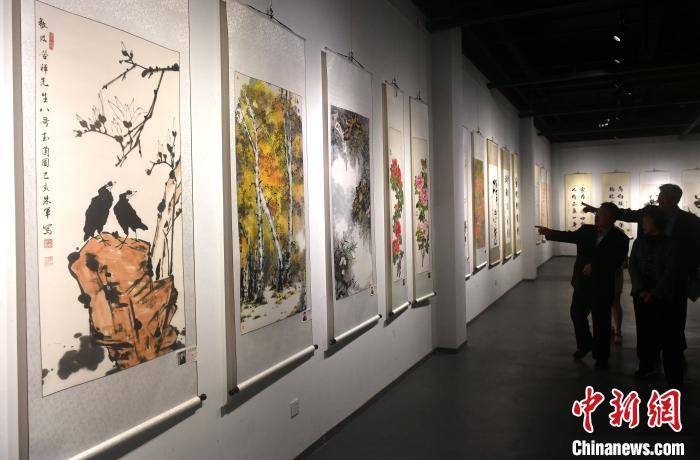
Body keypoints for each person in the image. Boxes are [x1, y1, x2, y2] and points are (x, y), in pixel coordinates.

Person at [583, 184, 700, 351]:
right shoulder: (649, 214)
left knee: (674, 320)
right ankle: (648, 356)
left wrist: (692, 275)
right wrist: (599, 210)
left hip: (674, 281)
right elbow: (627, 214)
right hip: (646, 280)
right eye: (660, 196)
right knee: (646, 321)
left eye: (663, 196)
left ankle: (675, 353)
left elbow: (696, 250)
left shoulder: (690, 221)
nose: (659, 199)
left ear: (675, 199)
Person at [537, 202, 629, 369]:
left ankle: (601, 357)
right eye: (597, 213)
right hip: (583, 283)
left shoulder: (620, 238)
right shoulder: (587, 230)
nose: (597, 216)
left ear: (611, 218)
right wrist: (550, 232)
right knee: (577, 314)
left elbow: (618, 261)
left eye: (601, 214)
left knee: (601, 322)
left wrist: (596, 266)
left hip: (602, 286)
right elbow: (570, 237)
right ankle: (585, 344)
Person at [628, 207, 685, 385]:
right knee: (644, 332)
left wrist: (655, 293)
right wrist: (640, 289)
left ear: (657, 222)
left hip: (664, 297)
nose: (643, 224)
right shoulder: (639, 243)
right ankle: (646, 365)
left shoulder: (671, 244)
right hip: (641, 295)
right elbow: (633, 266)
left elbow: (671, 272)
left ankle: (673, 373)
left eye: (647, 221)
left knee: (669, 334)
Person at [611, 261, 626, 345]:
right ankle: (611, 327)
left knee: (615, 301)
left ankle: (618, 331)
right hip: (602, 270)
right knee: (604, 301)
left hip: (616, 269)